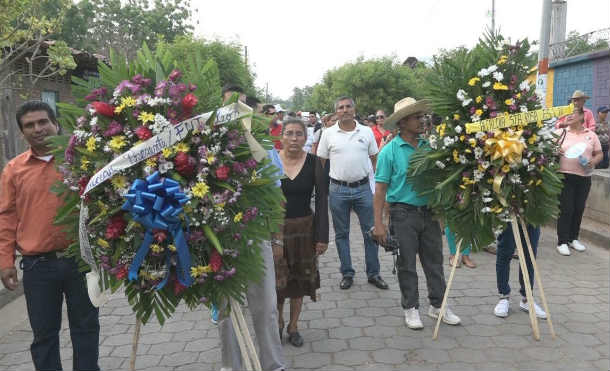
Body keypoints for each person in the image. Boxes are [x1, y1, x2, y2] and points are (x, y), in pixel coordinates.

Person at [0, 101, 100, 371]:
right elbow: (7, 217)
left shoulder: (80, 161)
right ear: (23, 133)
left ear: (55, 124)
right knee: (44, 336)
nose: (38, 128)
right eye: (30, 125)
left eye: (43, 121)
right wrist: (5, 261)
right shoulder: (13, 170)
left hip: (80, 262)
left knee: (86, 329)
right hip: (37, 267)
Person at [373, 97, 460, 329]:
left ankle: (438, 305)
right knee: (406, 263)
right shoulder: (389, 152)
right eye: (417, 117)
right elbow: (380, 190)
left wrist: (442, 214)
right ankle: (410, 307)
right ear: (402, 122)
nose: (423, 121)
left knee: (434, 262)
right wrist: (379, 224)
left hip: (429, 213)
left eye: (423, 116)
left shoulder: (429, 147)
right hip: (402, 214)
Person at [317, 96, 388, 290]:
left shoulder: (365, 131)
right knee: (342, 234)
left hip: (363, 189)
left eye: (348, 106)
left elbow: (375, 159)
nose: (345, 110)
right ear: (336, 112)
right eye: (341, 107)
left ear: (354, 110)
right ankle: (347, 272)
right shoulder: (328, 133)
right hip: (337, 190)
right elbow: (320, 161)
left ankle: (373, 273)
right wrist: (321, 188)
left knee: (371, 232)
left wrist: (376, 186)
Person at [274, 118, 329, 347]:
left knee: (299, 281)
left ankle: (293, 326)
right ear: (281, 137)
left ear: (306, 138)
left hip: (305, 230)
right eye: (289, 133)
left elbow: (323, 202)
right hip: (276, 231)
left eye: (299, 134)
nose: (294, 138)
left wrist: (322, 237)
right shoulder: (271, 162)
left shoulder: (316, 163)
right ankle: (276, 323)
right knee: (276, 283)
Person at [555, 111, 602, 255]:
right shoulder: (560, 133)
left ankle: (573, 238)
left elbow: (599, 153)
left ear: (582, 117)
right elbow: (548, 150)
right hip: (565, 176)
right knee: (566, 208)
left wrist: (592, 162)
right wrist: (555, 152)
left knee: (578, 208)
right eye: (567, 115)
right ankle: (562, 241)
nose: (568, 117)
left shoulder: (591, 135)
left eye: (572, 114)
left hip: (584, 177)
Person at [493, 223, 547, 319]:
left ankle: (527, 299)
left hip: (531, 215)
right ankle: (503, 296)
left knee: (529, 255)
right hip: (508, 216)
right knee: (505, 252)